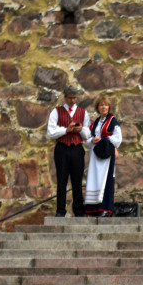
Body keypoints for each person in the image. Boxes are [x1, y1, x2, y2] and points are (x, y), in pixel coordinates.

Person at [46, 86, 89, 217]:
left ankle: (78, 210)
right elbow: (50, 132)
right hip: (62, 148)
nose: (72, 100)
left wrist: (80, 129)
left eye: (75, 98)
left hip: (77, 148)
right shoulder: (56, 112)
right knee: (62, 180)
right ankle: (60, 210)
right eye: (70, 98)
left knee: (77, 180)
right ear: (65, 97)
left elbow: (88, 134)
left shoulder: (83, 112)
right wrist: (66, 130)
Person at [83, 95, 122, 216]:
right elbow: (88, 140)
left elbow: (118, 138)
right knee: (95, 179)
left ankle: (106, 208)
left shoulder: (113, 121)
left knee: (106, 180)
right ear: (97, 107)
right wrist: (93, 140)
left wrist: (103, 139)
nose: (103, 107)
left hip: (106, 155)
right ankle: (93, 208)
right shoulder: (95, 123)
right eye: (101, 105)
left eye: (105, 105)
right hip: (95, 155)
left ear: (109, 107)